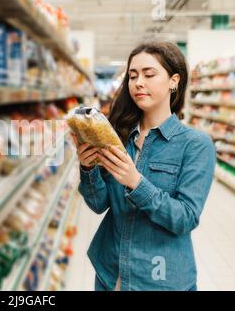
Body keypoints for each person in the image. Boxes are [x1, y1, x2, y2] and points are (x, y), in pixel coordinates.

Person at [72, 42, 216, 291]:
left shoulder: (196, 145)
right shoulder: (118, 135)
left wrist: (136, 182)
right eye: (133, 76)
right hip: (110, 272)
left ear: (174, 81)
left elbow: (185, 218)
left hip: (159, 280)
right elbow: (98, 205)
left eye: (149, 74)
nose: (138, 82)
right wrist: (88, 168)